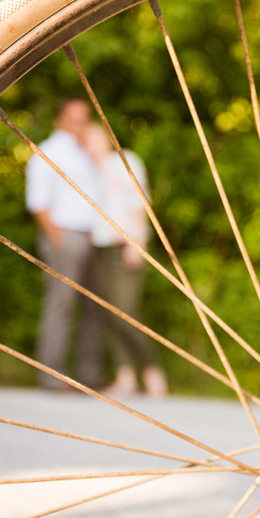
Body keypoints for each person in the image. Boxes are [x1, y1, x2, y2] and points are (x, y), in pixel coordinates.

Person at [85, 125, 168, 400]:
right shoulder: (87, 170)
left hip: (124, 246)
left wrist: (138, 243)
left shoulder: (124, 161)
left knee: (125, 311)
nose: (91, 145)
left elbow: (138, 201)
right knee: (110, 313)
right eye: (87, 141)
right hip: (100, 249)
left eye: (95, 138)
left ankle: (152, 370)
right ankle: (125, 376)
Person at [25, 98, 103, 392]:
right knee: (61, 305)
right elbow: (38, 202)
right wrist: (58, 240)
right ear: (60, 119)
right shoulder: (49, 151)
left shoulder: (86, 152)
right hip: (65, 234)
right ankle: (52, 375)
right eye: (74, 118)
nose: (79, 124)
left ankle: (89, 375)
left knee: (94, 308)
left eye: (84, 118)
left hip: (92, 237)